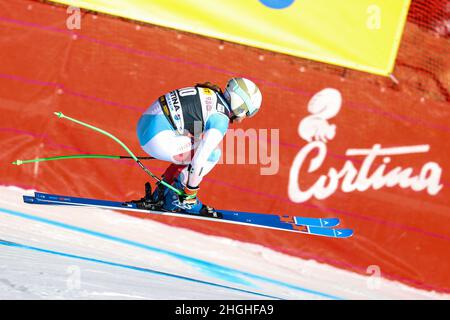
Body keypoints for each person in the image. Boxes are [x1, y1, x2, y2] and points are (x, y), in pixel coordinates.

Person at [136, 78, 262, 217]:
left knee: (196, 147)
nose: (244, 118)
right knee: (213, 154)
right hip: (155, 139)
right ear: (241, 105)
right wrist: (191, 192)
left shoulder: (210, 94)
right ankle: (180, 200)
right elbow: (200, 159)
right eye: (248, 112)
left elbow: (192, 140)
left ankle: (165, 191)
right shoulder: (220, 119)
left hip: (146, 125)